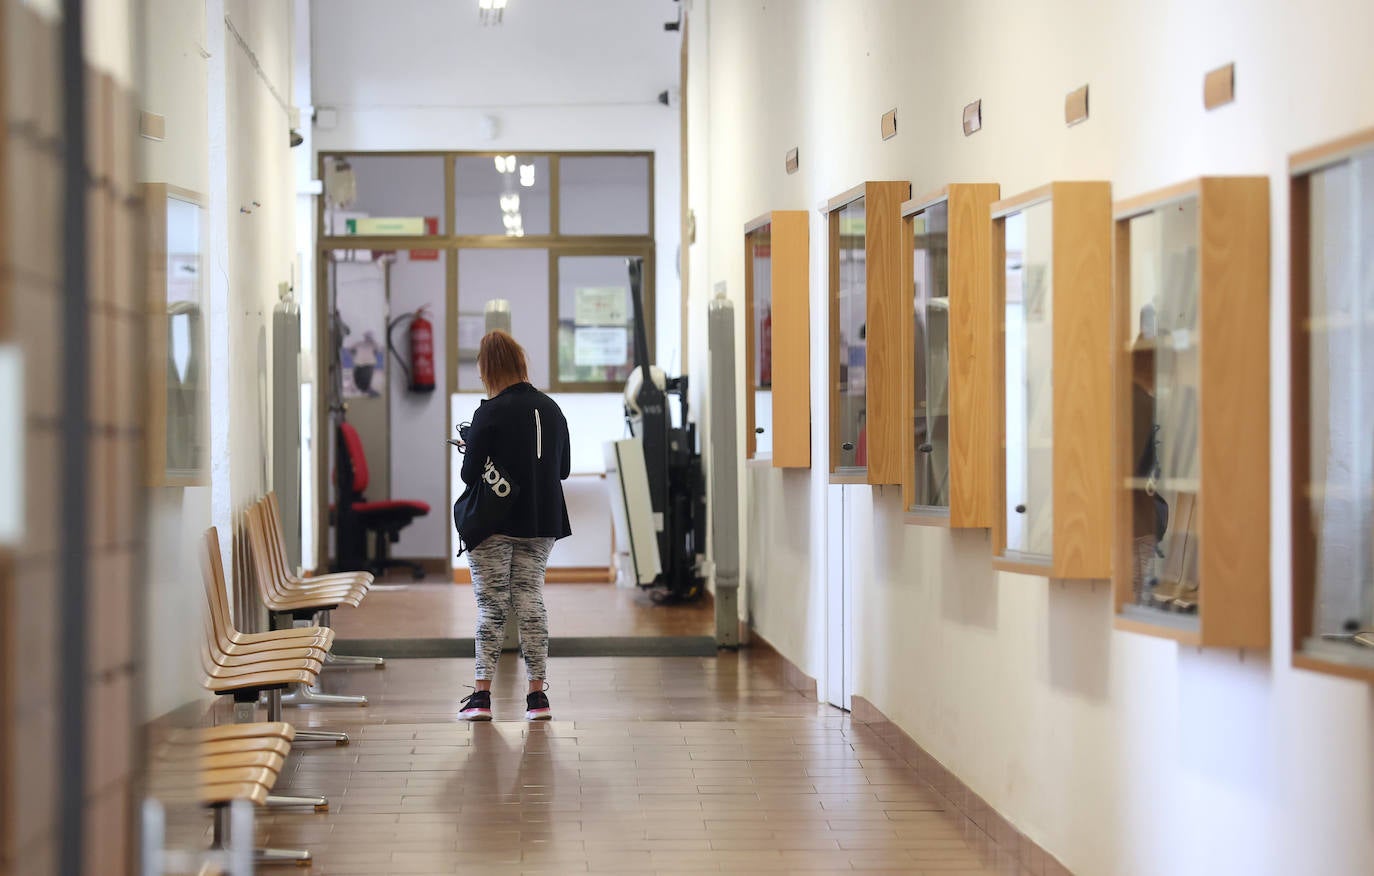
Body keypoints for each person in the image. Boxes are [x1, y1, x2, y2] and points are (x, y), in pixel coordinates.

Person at [457, 330, 572, 721]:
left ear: (489, 368)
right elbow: (562, 469)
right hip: (541, 520)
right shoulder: (552, 409)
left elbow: (469, 474)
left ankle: (481, 698)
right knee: (530, 602)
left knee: (492, 607)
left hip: (494, 521)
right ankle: (538, 698)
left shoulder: (488, 412)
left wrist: (471, 446)